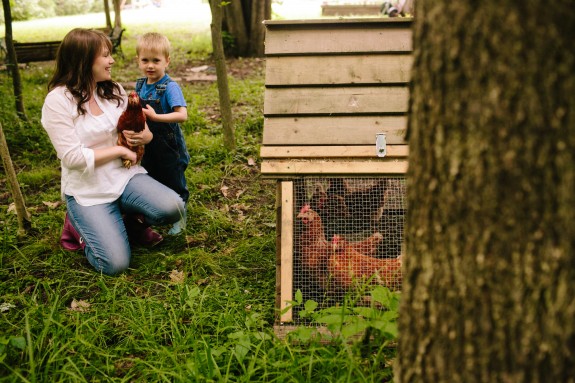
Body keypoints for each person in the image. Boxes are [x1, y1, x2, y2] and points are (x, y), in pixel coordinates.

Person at [41, 28, 185, 276]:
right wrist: (118, 149)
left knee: (174, 207)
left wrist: (146, 136)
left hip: (124, 177)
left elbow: (137, 129)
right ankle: (78, 227)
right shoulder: (58, 101)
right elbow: (73, 158)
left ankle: (127, 221)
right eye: (106, 55)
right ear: (84, 60)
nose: (112, 61)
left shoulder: (112, 90)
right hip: (88, 190)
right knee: (114, 265)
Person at [135, 32, 190, 235]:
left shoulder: (170, 87)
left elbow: (182, 115)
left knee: (173, 178)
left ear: (166, 61)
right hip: (148, 143)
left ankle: (181, 214)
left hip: (168, 144)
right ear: (138, 61)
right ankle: (156, 210)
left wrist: (156, 117)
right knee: (151, 175)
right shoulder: (141, 85)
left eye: (156, 60)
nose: (150, 65)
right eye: (145, 60)